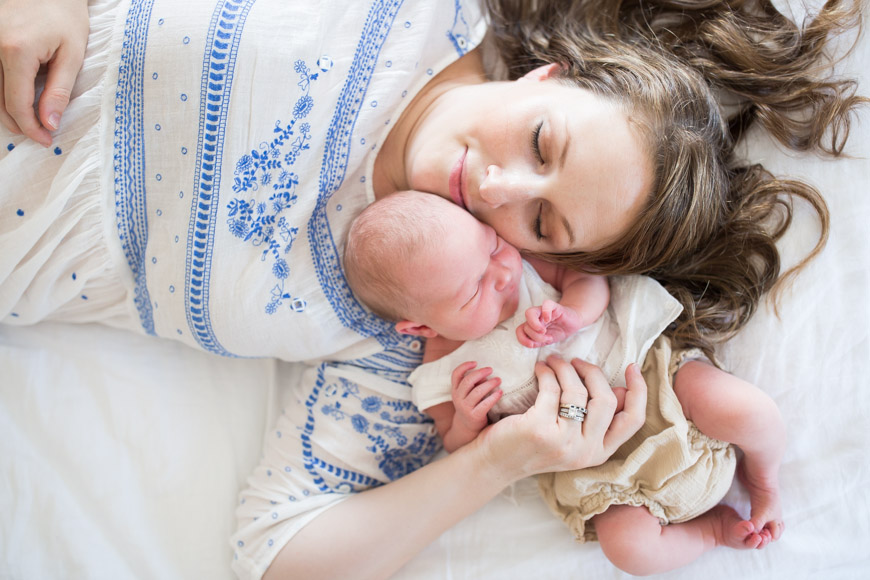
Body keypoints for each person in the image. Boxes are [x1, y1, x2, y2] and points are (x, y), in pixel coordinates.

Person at [0, 0, 865, 577]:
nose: (498, 190)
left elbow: (278, 553)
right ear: (545, 79)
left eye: (544, 226)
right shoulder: (419, 16)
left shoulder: (417, 329)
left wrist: (500, 457)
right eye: (541, 142)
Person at [344, 190, 784, 574]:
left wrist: (574, 313)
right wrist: (466, 418)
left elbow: (588, 279)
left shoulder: (531, 271)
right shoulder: (440, 377)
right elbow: (459, 448)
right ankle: (712, 533)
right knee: (630, 552)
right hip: (603, 471)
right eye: (476, 288)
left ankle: (764, 480)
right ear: (419, 328)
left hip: (651, 380)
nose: (502, 272)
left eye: (493, 245)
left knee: (749, 412)